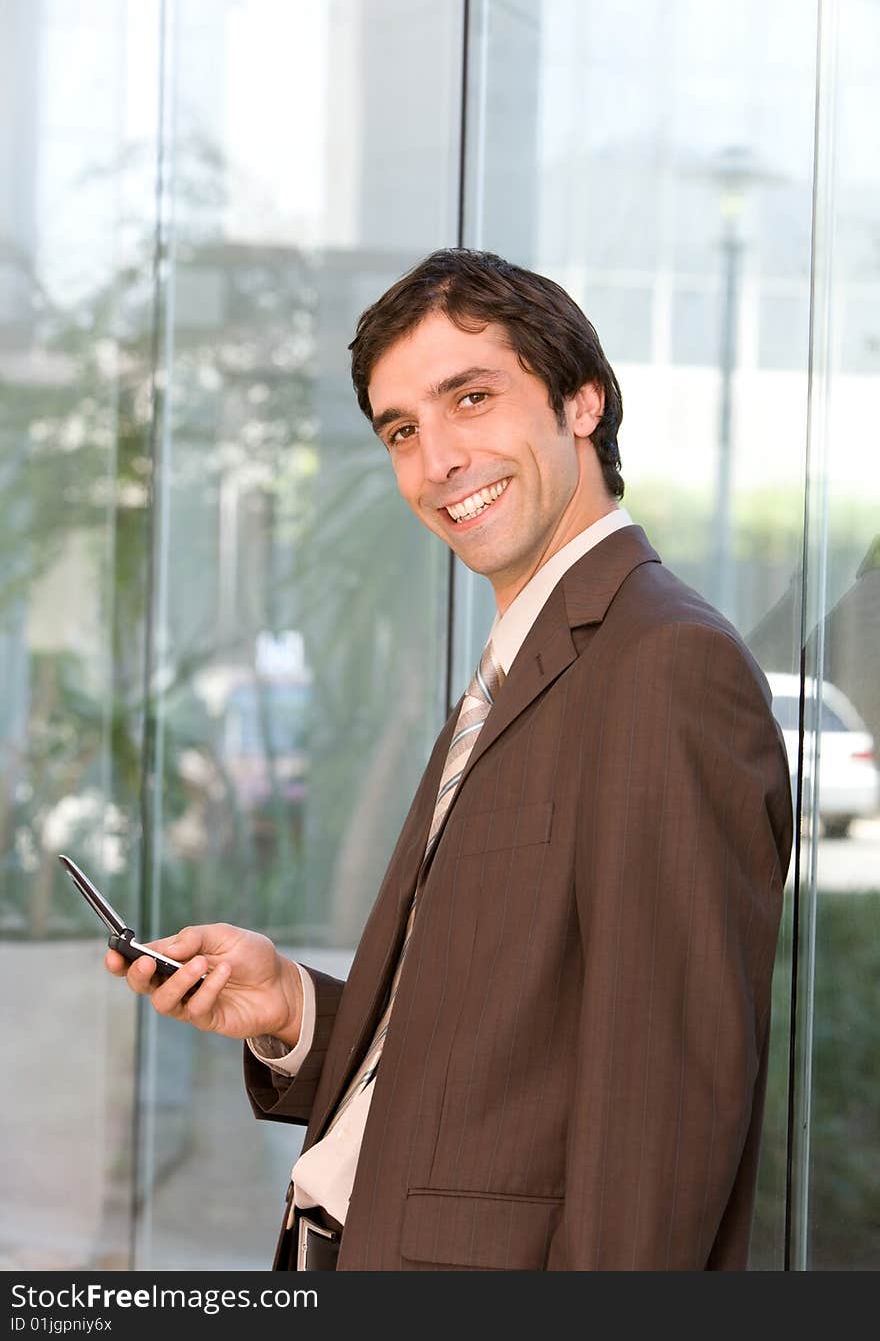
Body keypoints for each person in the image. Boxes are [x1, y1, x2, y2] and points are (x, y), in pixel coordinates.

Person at [107, 248, 794, 1271]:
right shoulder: (525, 666)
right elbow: (501, 1050)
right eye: (402, 430)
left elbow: (661, 1108)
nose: (436, 461)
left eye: (470, 398)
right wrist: (294, 1006)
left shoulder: (664, 665)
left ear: (581, 403)